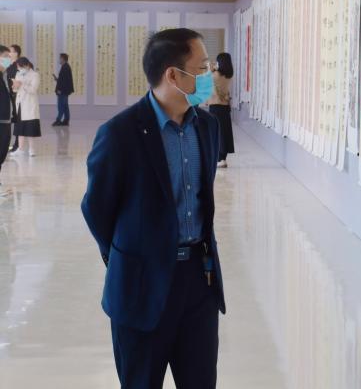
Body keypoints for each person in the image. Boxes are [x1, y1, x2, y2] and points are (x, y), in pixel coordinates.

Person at [82, 28, 225, 388]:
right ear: (173, 75)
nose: (209, 75)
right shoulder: (120, 133)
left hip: (198, 282)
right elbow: (96, 208)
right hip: (141, 286)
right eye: (202, 67)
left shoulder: (207, 126)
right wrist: (125, 258)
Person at [207, 52, 235, 168]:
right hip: (225, 107)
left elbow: (207, 79)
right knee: (225, 132)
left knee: (217, 132)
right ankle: (223, 158)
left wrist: (210, 69)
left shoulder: (215, 75)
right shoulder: (228, 75)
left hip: (215, 107)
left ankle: (219, 159)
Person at [11, 57, 41, 157]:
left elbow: (33, 90)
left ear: (26, 65)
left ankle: (32, 150)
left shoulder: (35, 75)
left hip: (29, 105)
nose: (19, 69)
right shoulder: (18, 74)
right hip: (20, 104)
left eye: (20, 67)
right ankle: (20, 149)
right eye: (18, 67)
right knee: (20, 128)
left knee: (30, 128)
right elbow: (15, 90)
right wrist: (15, 86)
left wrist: (22, 84)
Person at [0, 46, 13, 185]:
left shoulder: (3, 76)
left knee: (2, 151)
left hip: (5, 121)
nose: (8, 59)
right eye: (5, 56)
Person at [5, 44, 21, 152]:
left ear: (16, 53)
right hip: (7, 96)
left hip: (16, 97)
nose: (8, 53)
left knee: (17, 120)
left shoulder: (19, 65)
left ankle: (17, 144)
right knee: (10, 120)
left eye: (10, 51)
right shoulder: (6, 63)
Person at [53, 52, 74, 126]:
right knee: (65, 106)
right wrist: (57, 79)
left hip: (63, 91)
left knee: (61, 106)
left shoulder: (65, 67)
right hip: (65, 91)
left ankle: (58, 120)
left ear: (63, 59)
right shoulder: (66, 66)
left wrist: (60, 90)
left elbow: (64, 82)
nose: (59, 60)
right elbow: (63, 80)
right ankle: (66, 120)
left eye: (60, 58)